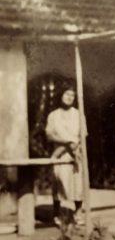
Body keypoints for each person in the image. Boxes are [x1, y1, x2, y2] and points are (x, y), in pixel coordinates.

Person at [45, 86, 84, 226]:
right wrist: (67, 142)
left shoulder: (79, 114)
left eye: (72, 95)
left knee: (78, 183)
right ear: (60, 96)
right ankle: (57, 214)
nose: (69, 97)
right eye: (66, 94)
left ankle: (78, 213)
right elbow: (50, 135)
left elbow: (83, 134)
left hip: (75, 153)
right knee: (59, 182)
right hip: (60, 153)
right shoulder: (53, 115)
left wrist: (75, 146)